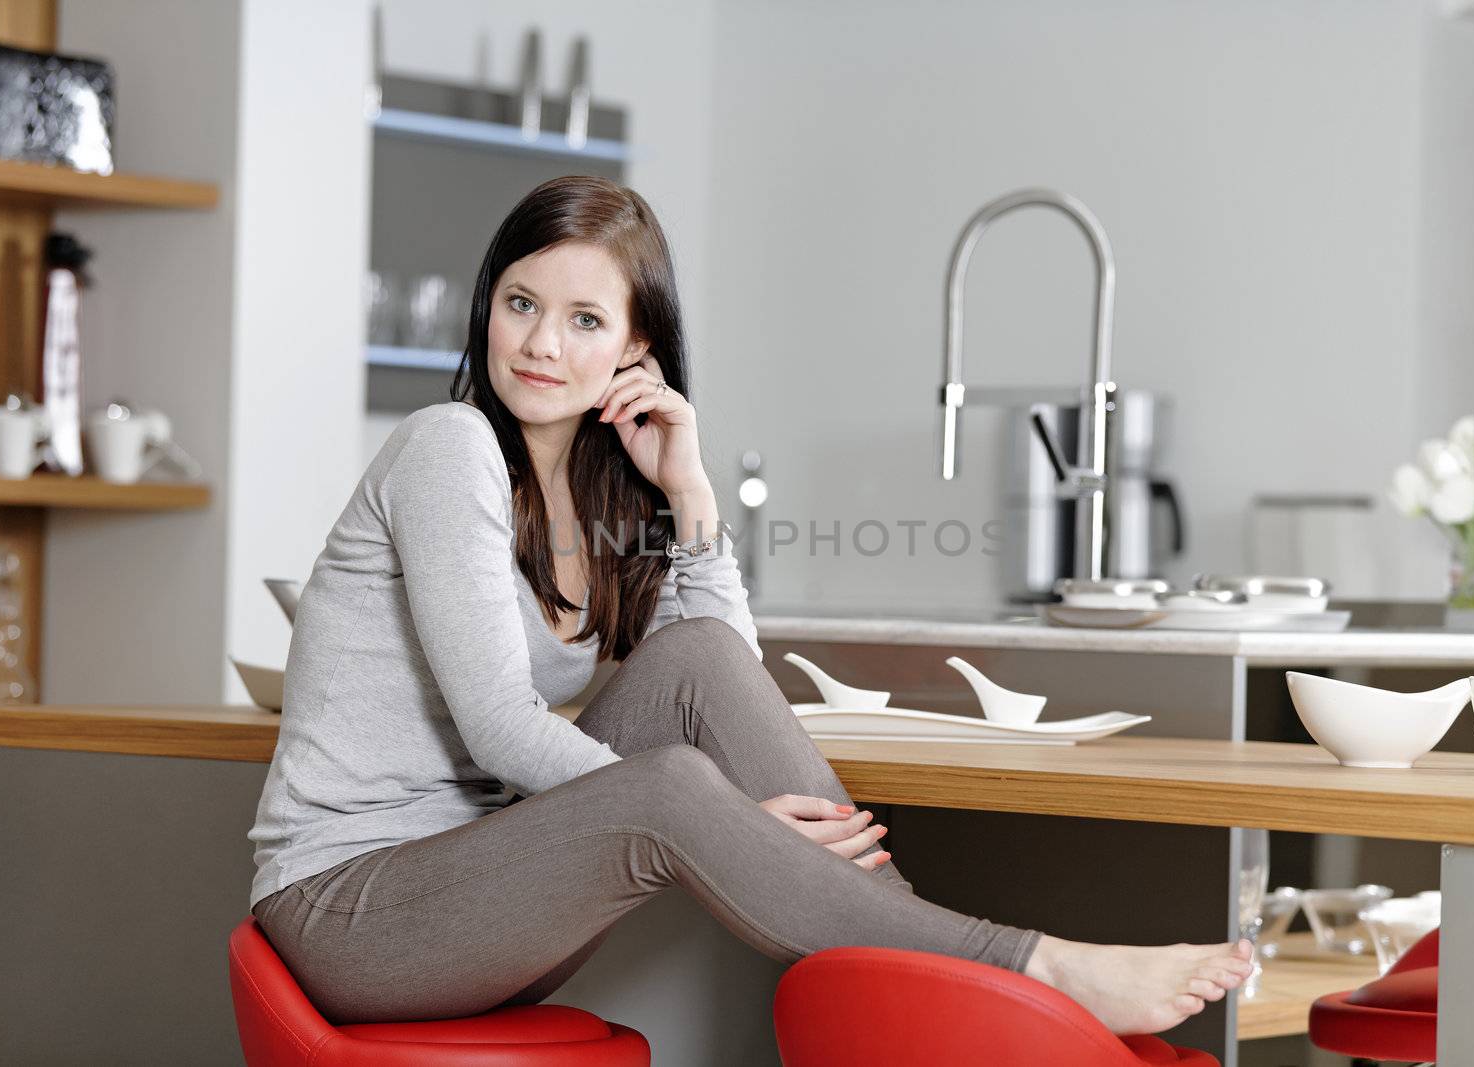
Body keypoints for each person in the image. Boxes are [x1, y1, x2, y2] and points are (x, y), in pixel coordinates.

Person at [246, 174, 1251, 1038]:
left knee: (691, 662)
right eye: (520, 303)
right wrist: (718, 815)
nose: (542, 342)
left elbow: (718, 657)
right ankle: (1032, 968)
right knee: (669, 783)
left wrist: (689, 491)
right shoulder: (446, 444)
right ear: (487, 305)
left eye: (585, 320)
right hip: (356, 913)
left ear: (635, 350)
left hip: (488, 895)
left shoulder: (598, 494)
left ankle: (925, 981)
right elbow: (500, 727)